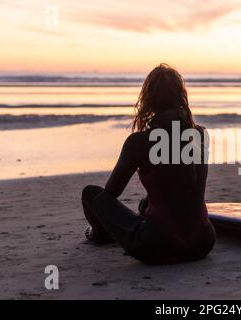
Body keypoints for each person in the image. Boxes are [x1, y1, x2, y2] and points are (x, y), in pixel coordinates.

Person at [81, 63, 216, 264]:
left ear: (148, 101)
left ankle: (99, 234)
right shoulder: (200, 134)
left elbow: (111, 192)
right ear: (181, 97)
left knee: (91, 194)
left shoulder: (138, 142)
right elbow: (180, 180)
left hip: (158, 244)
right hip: (203, 241)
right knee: (146, 204)